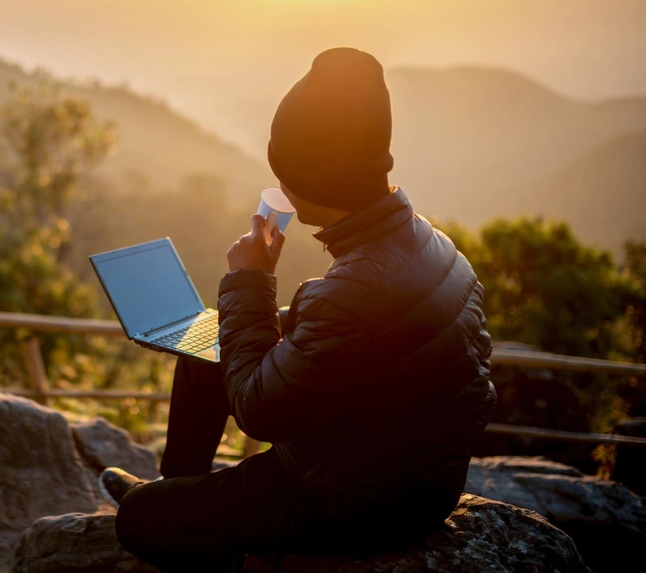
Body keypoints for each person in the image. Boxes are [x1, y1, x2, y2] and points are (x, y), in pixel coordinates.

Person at [99, 47, 498, 572]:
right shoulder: (429, 241)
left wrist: (252, 279)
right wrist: (266, 315)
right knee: (204, 355)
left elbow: (259, 410)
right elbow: (361, 340)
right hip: (387, 460)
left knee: (142, 519)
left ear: (315, 184)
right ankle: (184, 492)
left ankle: (181, 512)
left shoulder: (355, 290)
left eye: (286, 177)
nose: (281, 190)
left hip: (360, 499)